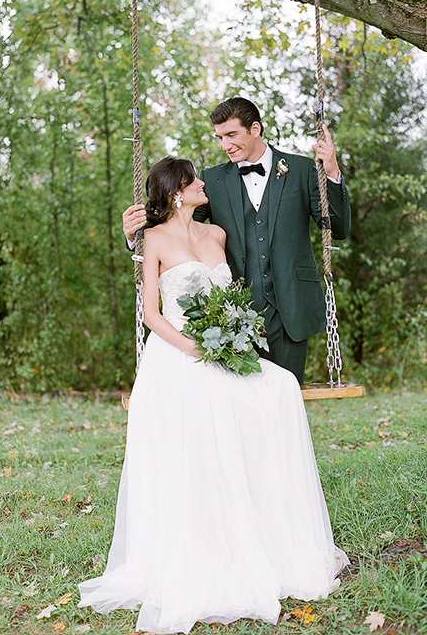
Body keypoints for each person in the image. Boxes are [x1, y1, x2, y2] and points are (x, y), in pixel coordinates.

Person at [78, 156, 348, 634]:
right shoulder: (154, 240)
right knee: (209, 411)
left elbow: (239, 287)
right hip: (177, 351)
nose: (203, 182)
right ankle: (207, 537)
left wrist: (230, 338)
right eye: (193, 180)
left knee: (281, 386)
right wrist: (195, 349)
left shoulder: (216, 234)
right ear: (176, 192)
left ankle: (268, 524)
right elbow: (151, 315)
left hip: (225, 346)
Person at [123, 97, 351, 384]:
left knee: (285, 396)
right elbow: (175, 227)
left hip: (291, 308)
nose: (224, 145)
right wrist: (134, 237)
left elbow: (338, 228)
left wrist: (331, 171)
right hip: (231, 318)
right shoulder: (211, 180)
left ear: (255, 129)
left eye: (232, 135)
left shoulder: (303, 170)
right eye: (219, 137)